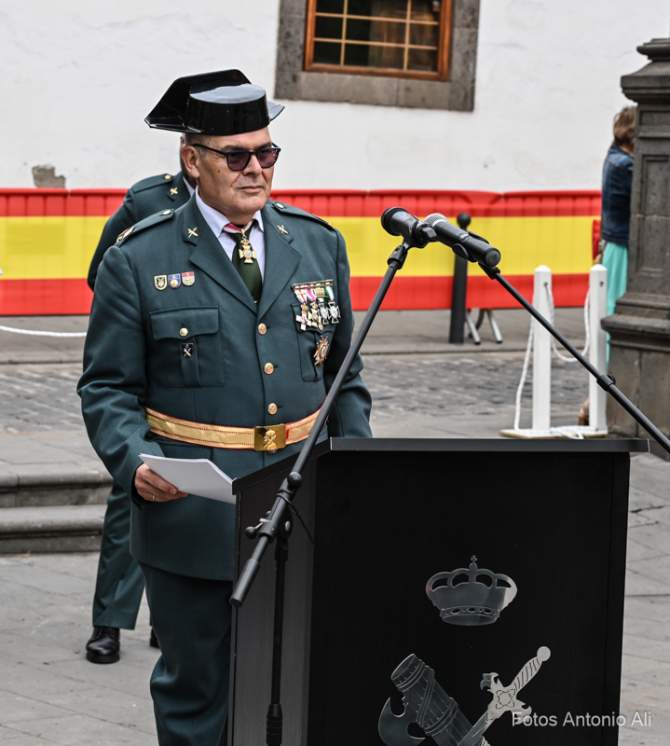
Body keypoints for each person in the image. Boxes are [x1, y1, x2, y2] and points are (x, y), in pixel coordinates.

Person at [78, 69, 372, 744]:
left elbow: (343, 375)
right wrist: (135, 459)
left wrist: (360, 464)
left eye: (266, 152)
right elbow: (107, 387)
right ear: (193, 160)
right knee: (198, 695)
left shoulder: (317, 244)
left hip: (302, 504)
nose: (256, 169)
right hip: (194, 514)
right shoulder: (139, 257)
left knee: (297, 687)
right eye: (236, 156)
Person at [84, 159, 193, 664]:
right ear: (189, 149)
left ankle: (165, 618)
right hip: (151, 373)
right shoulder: (148, 199)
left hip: (201, 380)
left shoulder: (247, 209)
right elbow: (101, 272)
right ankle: (109, 619)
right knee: (130, 495)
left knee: (194, 497)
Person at [601, 105, 635, 317]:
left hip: (615, 240)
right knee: (617, 302)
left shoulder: (614, 156)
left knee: (611, 300)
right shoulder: (626, 164)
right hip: (623, 242)